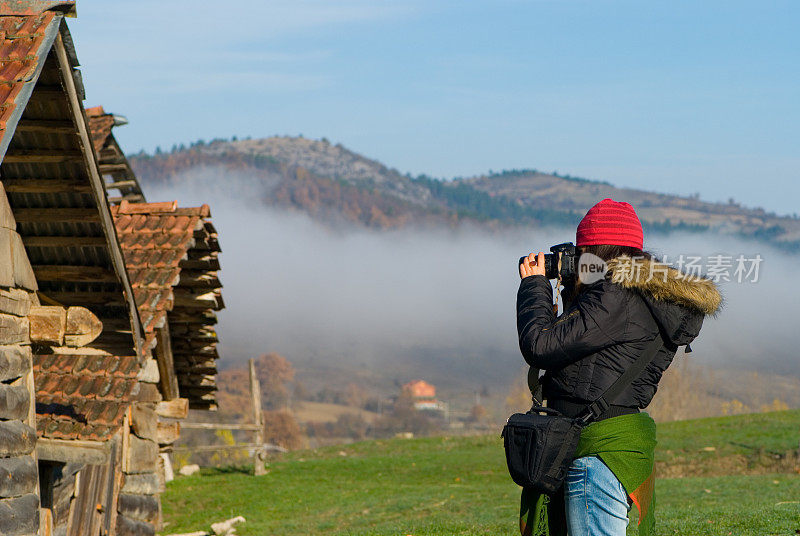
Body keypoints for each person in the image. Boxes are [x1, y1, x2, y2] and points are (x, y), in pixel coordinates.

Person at [515, 198, 722, 536]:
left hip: (597, 451)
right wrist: (574, 294)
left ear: (596, 251)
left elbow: (540, 345)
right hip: (614, 442)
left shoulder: (616, 295)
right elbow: (587, 354)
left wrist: (534, 285)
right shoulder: (641, 295)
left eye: (583, 252)